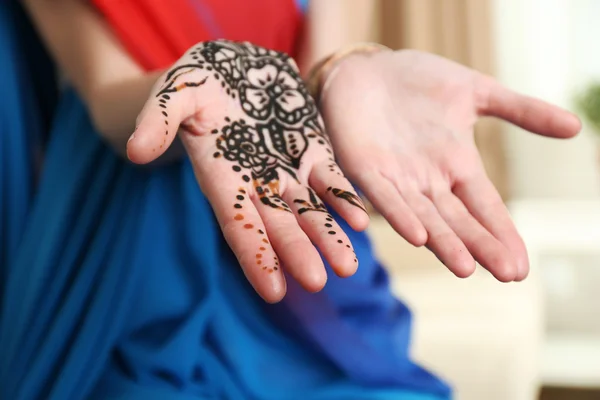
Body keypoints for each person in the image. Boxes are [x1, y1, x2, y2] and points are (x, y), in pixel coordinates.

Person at [0, 0, 581, 399]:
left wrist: (340, 75)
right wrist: (198, 76)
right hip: (127, 250)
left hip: (290, 228)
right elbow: (106, 99)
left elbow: (313, 86)